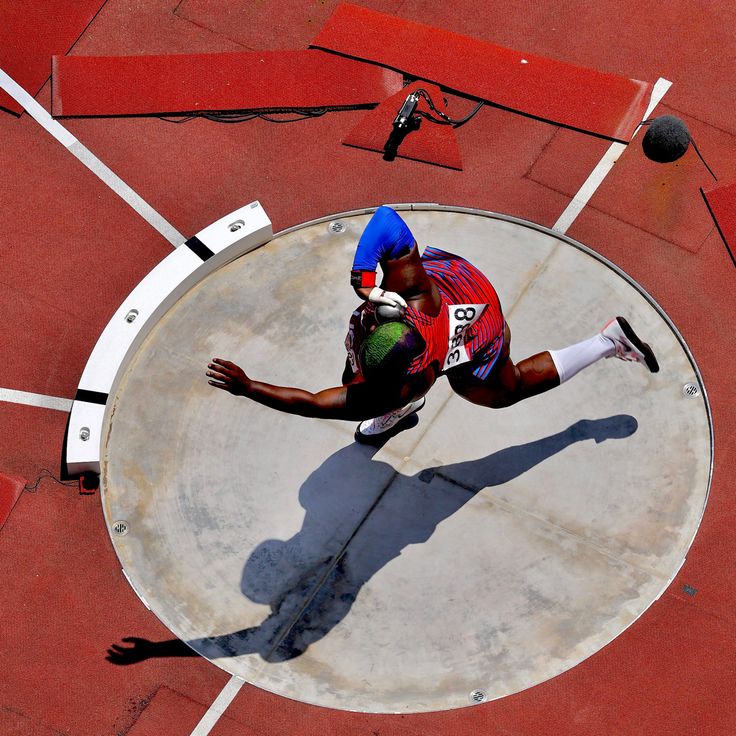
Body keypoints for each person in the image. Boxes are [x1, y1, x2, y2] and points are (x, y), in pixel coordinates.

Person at [207, 206, 658, 441]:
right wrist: (363, 278)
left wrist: (250, 388)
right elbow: (387, 220)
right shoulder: (406, 296)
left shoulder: (403, 383)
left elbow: (310, 404)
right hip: (442, 292)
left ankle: (606, 340)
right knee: (353, 380)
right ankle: (397, 417)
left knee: (501, 391)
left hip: (475, 313)